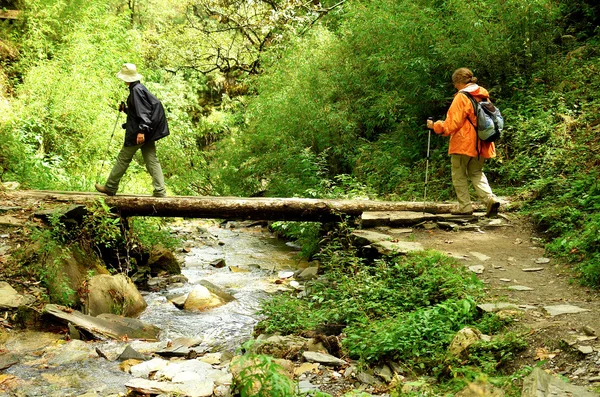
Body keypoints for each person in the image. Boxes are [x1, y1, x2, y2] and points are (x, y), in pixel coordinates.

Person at [426, 67, 500, 216]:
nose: (454, 86)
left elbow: (452, 123)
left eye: (455, 83)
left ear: (459, 82)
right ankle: (490, 200)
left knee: (459, 174)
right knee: (476, 172)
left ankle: (465, 208)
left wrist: (435, 126)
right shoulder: (483, 96)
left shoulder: (462, 97)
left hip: (464, 143)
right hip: (482, 142)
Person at [95, 63, 169, 197]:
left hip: (139, 132)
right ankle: (160, 191)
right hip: (147, 131)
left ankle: (110, 187)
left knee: (123, 158)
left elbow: (144, 113)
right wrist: (126, 110)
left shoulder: (136, 91)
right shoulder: (139, 88)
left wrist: (141, 131)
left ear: (126, 78)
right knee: (152, 159)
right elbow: (139, 112)